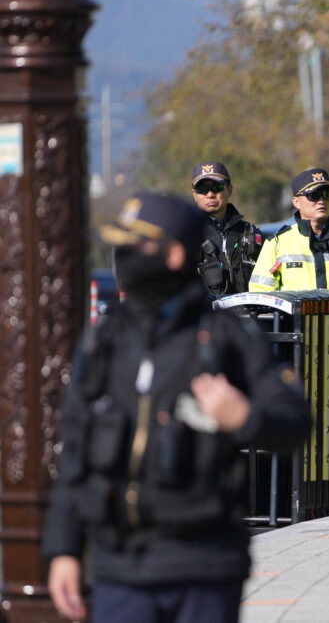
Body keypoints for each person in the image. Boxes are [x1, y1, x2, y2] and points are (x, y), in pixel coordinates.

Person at [42, 192, 311, 623]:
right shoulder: (103, 344)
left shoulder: (227, 340)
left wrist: (245, 418)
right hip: (119, 568)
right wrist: (63, 551)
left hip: (203, 566)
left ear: (173, 254)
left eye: (137, 244)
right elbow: (73, 453)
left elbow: (295, 422)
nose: (124, 255)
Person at [249, 167, 329, 292]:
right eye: (314, 195)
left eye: (327, 194)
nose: (322, 201)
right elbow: (260, 293)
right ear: (296, 202)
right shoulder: (277, 244)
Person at [190, 161, 264, 297]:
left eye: (217, 187)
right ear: (194, 194)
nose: (210, 194)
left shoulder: (250, 232)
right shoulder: (185, 235)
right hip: (204, 316)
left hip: (248, 315)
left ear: (229, 189)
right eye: (202, 189)